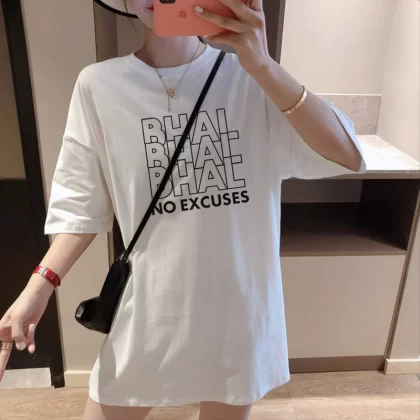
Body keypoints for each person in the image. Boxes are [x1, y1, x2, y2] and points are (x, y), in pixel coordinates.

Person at [0, 0, 366, 419]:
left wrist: (264, 65)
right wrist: (38, 287)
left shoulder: (251, 78)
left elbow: (347, 155)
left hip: (236, 313)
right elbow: (81, 206)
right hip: (149, 311)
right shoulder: (99, 86)